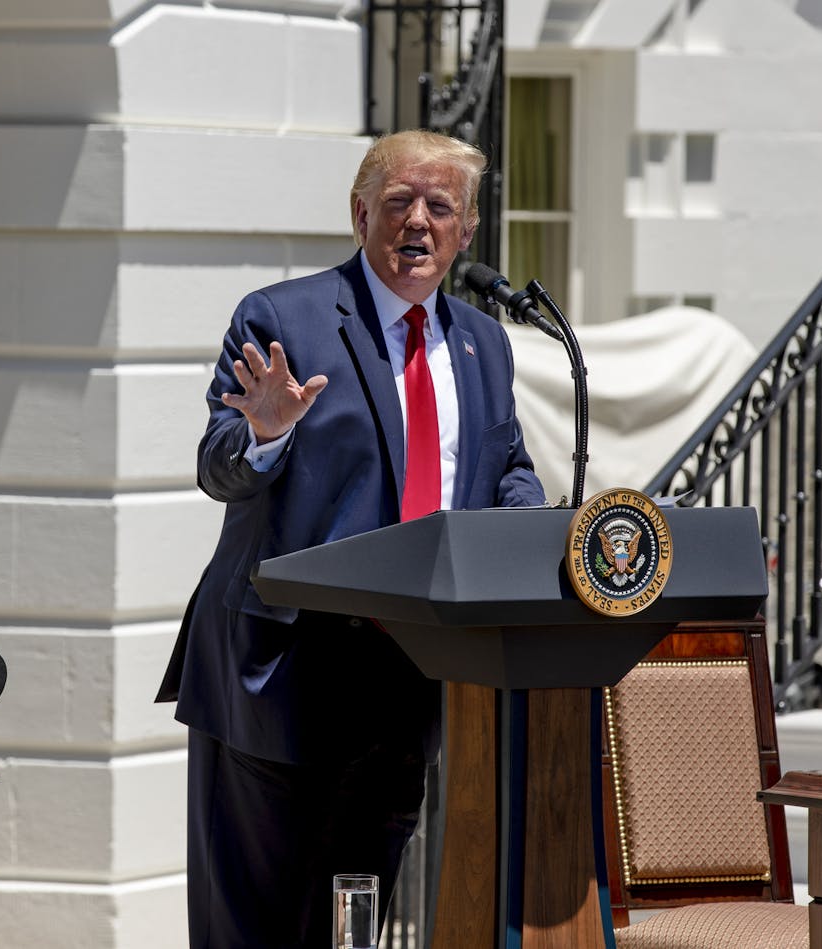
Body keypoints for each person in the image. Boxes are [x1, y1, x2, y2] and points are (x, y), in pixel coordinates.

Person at [157, 129, 547, 949]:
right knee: (259, 927)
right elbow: (218, 466)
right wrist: (263, 433)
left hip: (410, 682)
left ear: (467, 230)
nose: (417, 222)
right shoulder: (283, 317)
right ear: (360, 212)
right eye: (399, 201)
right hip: (284, 676)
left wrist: (531, 526)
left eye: (440, 206)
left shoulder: (483, 344)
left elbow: (504, 465)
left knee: (355, 921)